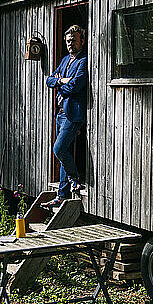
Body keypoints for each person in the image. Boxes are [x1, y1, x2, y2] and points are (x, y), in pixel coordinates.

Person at [42, 25, 88, 208]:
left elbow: (76, 86)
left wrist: (60, 84)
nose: (70, 44)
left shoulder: (83, 61)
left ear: (81, 41)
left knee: (59, 149)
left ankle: (74, 177)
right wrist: (61, 80)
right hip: (59, 113)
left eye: (74, 40)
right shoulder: (64, 61)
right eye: (68, 41)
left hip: (72, 114)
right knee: (64, 152)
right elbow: (49, 80)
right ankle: (62, 195)